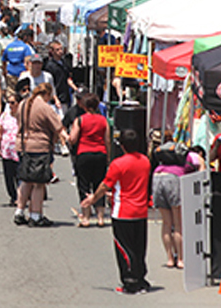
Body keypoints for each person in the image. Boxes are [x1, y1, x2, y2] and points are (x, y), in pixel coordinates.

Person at [83, 129, 152, 295]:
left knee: (124, 248)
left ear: (122, 146)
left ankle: (130, 282)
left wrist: (93, 199)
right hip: (141, 211)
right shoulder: (145, 161)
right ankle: (141, 279)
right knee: (138, 248)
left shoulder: (118, 164)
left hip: (123, 212)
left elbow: (105, 185)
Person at [14, 83, 63, 227]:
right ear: (47, 94)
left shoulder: (23, 103)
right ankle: (35, 215)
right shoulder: (44, 107)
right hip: (39, 146)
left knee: (25, 180)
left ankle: (19, 211)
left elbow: (18, 121)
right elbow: (58, 126)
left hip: (22, 144)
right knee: (38, 183)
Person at [150, 139, 199, 269]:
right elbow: (202, 173)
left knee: (166, 223)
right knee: (178, 224)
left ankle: (170, 258)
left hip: (157, 176)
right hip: (173, 179)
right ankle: (181, 259)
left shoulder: (164, 161)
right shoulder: (194, 157)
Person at [69, 92, 109, 227]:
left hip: (84, 154)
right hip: (100, 154)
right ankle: (100, 217)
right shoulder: (103, 120)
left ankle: (86, 217)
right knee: (100, 185)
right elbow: (107, 140)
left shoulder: (80, 120)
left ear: (85, 106)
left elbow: (73, 139)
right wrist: (108, 156)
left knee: (84, 184)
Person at [0, 90, 21, 207]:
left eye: (13, 102)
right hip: (7, 150)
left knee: (20, 175)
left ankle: (21, 196)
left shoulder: (23, 116)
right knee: (8, 176)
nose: (10, 105)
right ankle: (13, 196)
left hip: (19, 149)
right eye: (9, 102)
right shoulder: (5, 115)